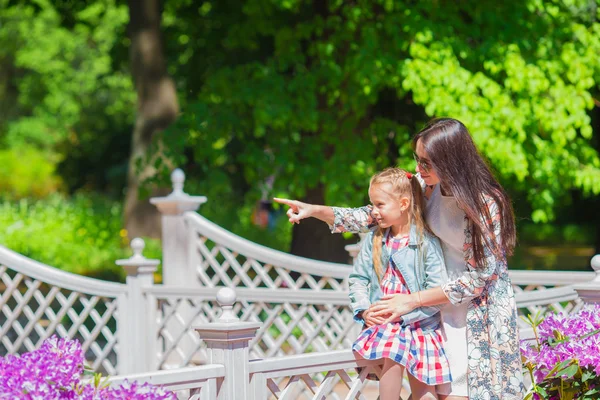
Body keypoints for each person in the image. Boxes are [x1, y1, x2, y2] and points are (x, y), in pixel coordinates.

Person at [274, 118, 525, 400]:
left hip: (477, 311)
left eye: (427, 162)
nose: (418, 169)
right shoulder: (422, 186)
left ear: (452, 160)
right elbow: (372, 216)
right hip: (433, 304)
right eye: (418, 160)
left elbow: (482, 277)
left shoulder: (486, 202)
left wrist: (412, 300)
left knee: (465, 391)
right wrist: (315, 210)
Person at [350, 167, 451, 400]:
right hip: (385, 325)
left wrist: (407, 315)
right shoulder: (374, 239)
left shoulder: (426, 244)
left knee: (424, 394)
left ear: (403, 204)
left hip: (420, 325)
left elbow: (439, 291)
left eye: (379, 205)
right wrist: (364, 311)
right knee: (393, 353)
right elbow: (358, 280)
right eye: (372, 204)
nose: (373, 212)